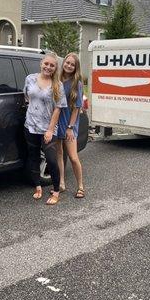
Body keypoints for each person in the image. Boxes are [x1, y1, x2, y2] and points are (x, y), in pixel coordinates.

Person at [24, 53, 67, 205]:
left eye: (52, 65)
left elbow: (58, 109)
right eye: (46, 64)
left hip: (48, 129)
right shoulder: (30, 78)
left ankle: (56, 191)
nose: (48, 67)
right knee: (33, 157)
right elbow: (27, 98)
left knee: (51, 160)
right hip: (30, 126)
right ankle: (38, 187)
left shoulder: (57, 85)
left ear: (55, 68)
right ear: (41, 63)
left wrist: (49, 130)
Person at [56, 53, 85, 198]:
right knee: (59, 154)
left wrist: (70, 127)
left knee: (73, 157)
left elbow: (77, 107)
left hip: (69, 123)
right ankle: (61, 183)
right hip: (56, 121)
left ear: (75, 67)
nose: (68, 65)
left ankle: (80, 186)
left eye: (72, 64)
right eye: (67, 62)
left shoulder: (76, 83)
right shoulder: (57, 79)